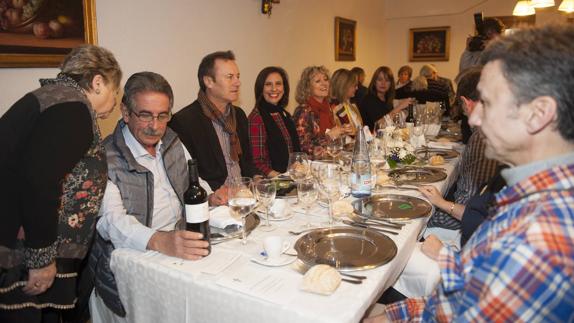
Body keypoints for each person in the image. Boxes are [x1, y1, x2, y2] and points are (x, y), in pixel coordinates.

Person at [368, 24, 574, 322]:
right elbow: (469, 286)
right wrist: (392, 314)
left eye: (487, 104)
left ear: (539, 114)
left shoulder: (538, 239)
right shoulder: (528, 196)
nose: (474, 118)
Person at [88, 72, 227, 321]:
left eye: (163, 115)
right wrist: (160, 241)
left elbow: (192, 179)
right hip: (135, 261)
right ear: (126, 112)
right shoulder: (104, 158)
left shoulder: (171, 139)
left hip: (181, 244)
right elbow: (112, 223)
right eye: (145, 115)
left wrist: (210, 195)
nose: (155, 125)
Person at [0, 45, 122, 323]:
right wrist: (41, 258)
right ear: (98, 82)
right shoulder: (72, 108)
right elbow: (39, 181)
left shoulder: (52, 99)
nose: (115, 100)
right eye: (115, 90)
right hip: (20, 254)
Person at [422, 67, 500, 242]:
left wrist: (441, 202)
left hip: (461, 222)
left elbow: (472, 207)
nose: (469, 120)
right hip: (468, 214)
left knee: (418, 224)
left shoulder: (483, 138)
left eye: (462, 107)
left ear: (466, 102)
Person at [169, 51, 260, 190]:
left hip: (245, 194)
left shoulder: (239, 115)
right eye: (230, 77)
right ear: (208, 81)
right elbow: (187, 176)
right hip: (214, 202)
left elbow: (247, 160)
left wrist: (256, 178)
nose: (238, 82)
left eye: (238, 76)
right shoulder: (184, 122)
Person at [248, 66, 301, 177]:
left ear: (284, 87)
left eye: (278, 84)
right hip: (271, 185)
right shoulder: (257, 118)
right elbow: (257, 162)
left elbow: (294, 152)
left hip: (290, 179)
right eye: (268, 84)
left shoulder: (284, 114)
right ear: (260, 89)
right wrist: (280, 178)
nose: (274, 89)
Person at [292, 66, 349, 159]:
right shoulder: (304, 111)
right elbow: (302, 146)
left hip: (329, 160)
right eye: (318, 81)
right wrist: (329, 136)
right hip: (312, 166)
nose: (324, 84)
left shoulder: (327, 107)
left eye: (326, 80)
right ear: (307, 87)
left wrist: (342, 131)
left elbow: (332, 142)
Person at [359, 66, 412, 131]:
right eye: (380, 80)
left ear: (391, 84)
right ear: (374, 82)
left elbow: (390, 121)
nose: (383, 83)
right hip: (372, 138)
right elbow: (379, 125)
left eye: (387, 80)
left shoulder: (386, 97)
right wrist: (399, 107)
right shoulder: (369, 99)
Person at [329, 68, 363, 134]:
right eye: (354, 85)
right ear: (344, 86)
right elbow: (347, 134)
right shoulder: (334, 107)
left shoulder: (351, 103)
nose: (357, 88)